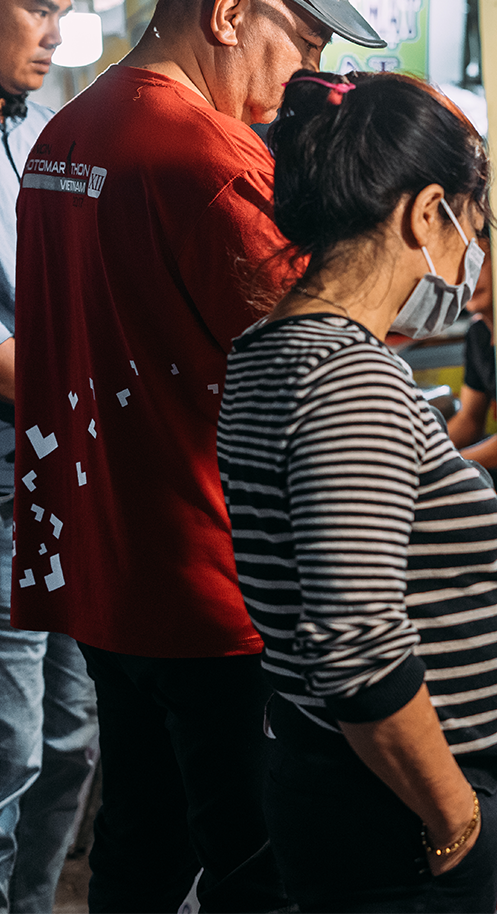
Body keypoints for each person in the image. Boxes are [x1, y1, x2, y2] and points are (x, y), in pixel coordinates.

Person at [11, 1, 385, 911]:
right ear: (228, 13)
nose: (306, 72)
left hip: (108, 570)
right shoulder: (210, 158)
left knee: (141, 845)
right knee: (259, 866)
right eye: (306, 41)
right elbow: (326, 350)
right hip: (216, 585)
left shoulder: (66, 136)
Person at [216, 70, 497, 913]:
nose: (468, 261)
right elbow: (356, 647)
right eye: (470, 229)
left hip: (336, 781)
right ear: (426, 214)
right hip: (396, 815)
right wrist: (455, 819)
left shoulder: (264, 349)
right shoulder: (350, 380)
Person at [0, 3, 100, 912]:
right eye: (38, 6)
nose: (57, 35)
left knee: (72, 743)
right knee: (11, 751)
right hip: (3, 494)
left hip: (61, 488)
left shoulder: (40, 138)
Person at [447, 234, 497, 490]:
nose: (471, 277)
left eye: (481, 262)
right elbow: (469, 419)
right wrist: (424, 451)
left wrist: (446, 464)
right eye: (464, 265)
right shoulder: (477, 334)